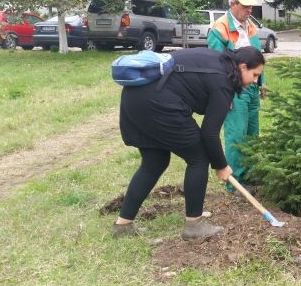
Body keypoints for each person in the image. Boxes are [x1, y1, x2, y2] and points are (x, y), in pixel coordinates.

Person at [113, 47, 265, 239]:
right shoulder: (223, 81)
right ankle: (194, 226)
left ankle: (122, 226)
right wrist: (221, 165)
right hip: (158, 104)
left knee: (154, 162)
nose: (255, 81)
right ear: (243, 67)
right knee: (199, 158)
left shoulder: (217, 59)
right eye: (254, 74)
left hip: (134, 98)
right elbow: (209, 134)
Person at [207, 0, 267, 192]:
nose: (249, 10)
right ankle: (236, 183)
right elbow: (217, 64)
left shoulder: (250, 27)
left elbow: (257, 58)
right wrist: (225, 93)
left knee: (252, 133)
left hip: (251, 87)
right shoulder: (220, 28)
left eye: (251, 6)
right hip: (233, 89)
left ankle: (251, 174)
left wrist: (261, 81)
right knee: (236, 134)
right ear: (232, 4)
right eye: (245, 6)